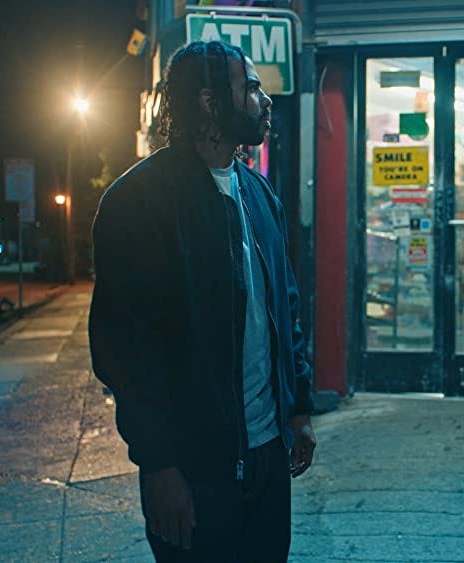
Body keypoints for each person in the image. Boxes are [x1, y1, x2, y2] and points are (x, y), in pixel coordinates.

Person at [89, 40, 316, 562]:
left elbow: (285, 308)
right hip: (192, 473)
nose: (264, 100)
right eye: (252, 88)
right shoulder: (136, 203)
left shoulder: (259, 195)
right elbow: (125, 350)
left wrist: (299, 406)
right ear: (211, 103)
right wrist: (159, 465)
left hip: (266, 459)